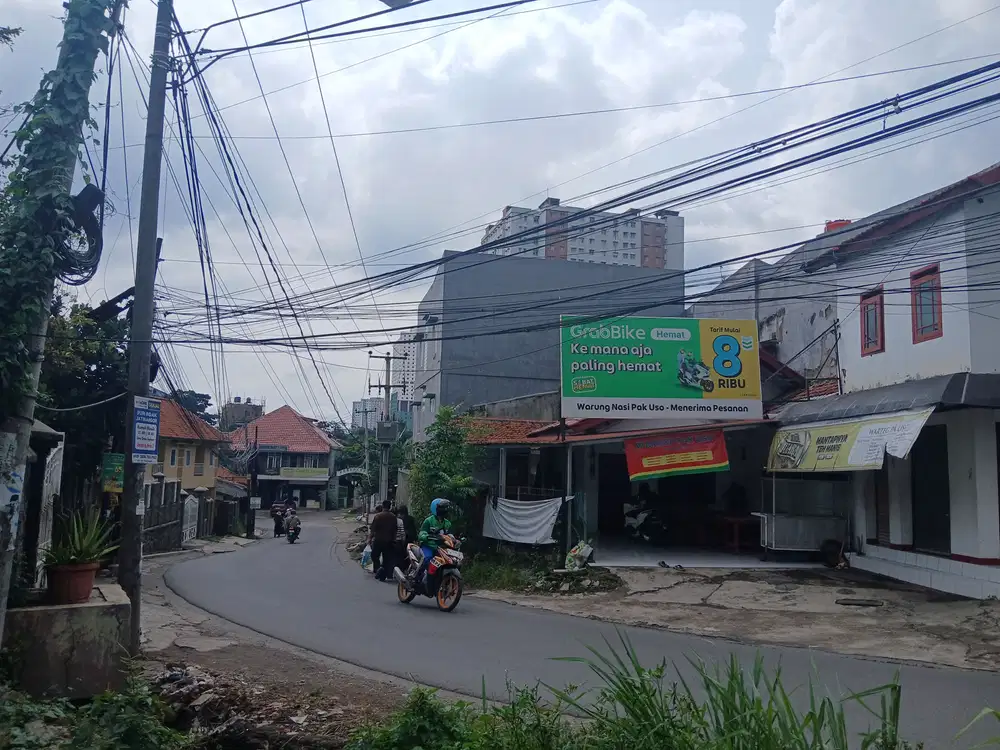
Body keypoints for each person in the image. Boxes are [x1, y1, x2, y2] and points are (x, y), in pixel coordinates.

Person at [415, 498, 453, 585]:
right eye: (442, 507)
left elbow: (450, 534)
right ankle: (418, 577)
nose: (444, 510)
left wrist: (455, 539)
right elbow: (422, 533)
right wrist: (426, 536)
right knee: (427, 559)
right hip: (428, 546)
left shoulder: (447, 523)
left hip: (441, 547)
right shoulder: (428, 521)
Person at [368, 501, 397, 581]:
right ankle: (387, 573)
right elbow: (395, 530)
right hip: (389, 541)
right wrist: (394, 540)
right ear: (390, 507)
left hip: (378, 540)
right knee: (387, 558)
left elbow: (373, 529)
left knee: (374, 555)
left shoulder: (378, 516)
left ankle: (378, 570)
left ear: (383, 506)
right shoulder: (393, 517)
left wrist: (370, 539)